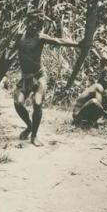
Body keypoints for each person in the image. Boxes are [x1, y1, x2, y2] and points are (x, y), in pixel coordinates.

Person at [13, 10, 82, 146]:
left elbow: (59, 41)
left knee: (37, 103)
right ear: (27, 22)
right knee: (18, 102)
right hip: (25, 77)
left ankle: (34, 136)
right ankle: (29, 126)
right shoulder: (19, 37)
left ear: (39, 26)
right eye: (31, 22)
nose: (33, 25)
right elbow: (9, 52)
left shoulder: (40, 37)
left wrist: (78, 44)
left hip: (39, 76)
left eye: (37, 23)